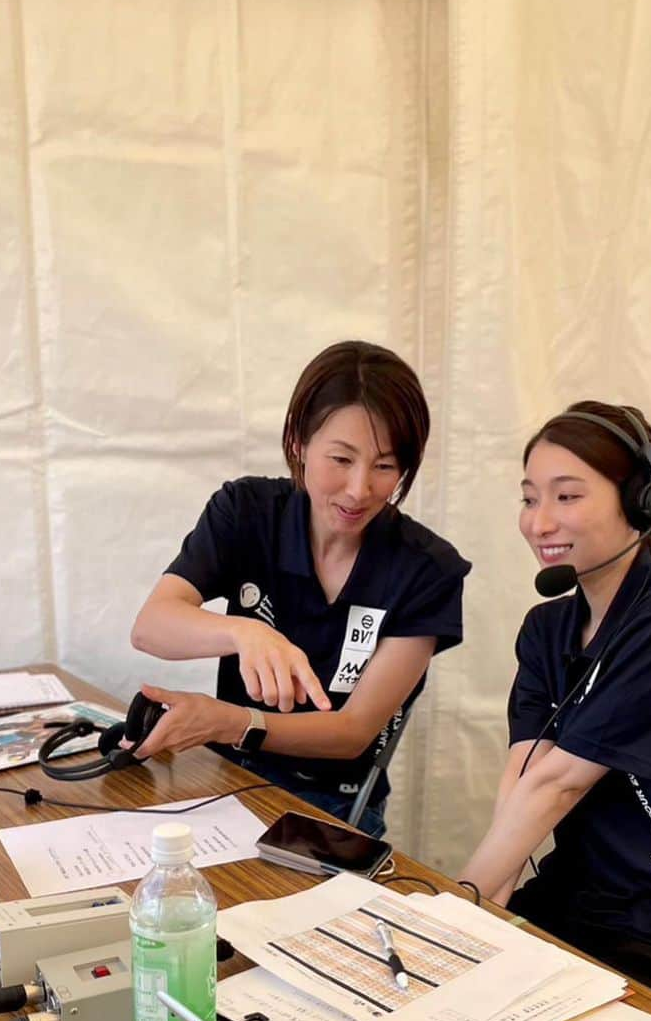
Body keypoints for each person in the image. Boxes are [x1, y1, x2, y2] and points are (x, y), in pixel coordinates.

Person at [459, 401, 651, 1021]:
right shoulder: (549, 628)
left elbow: (559, 784)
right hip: (581, 907)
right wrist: (470, 919)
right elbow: (524, 786)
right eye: (529, 498)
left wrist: (456, 910)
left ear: (642, 502)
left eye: (567, 496)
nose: (540, 521)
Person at [129, 340, 471, 836]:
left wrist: (229, 723)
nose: (359, 489)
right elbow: (151, 626)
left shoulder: (428, 570)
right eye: (341, 459)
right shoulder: (246, 512)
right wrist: (246, 635)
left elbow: (351, 733)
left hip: (333, 810)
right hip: (223, 781)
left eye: (384, 466)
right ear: (298, 442)